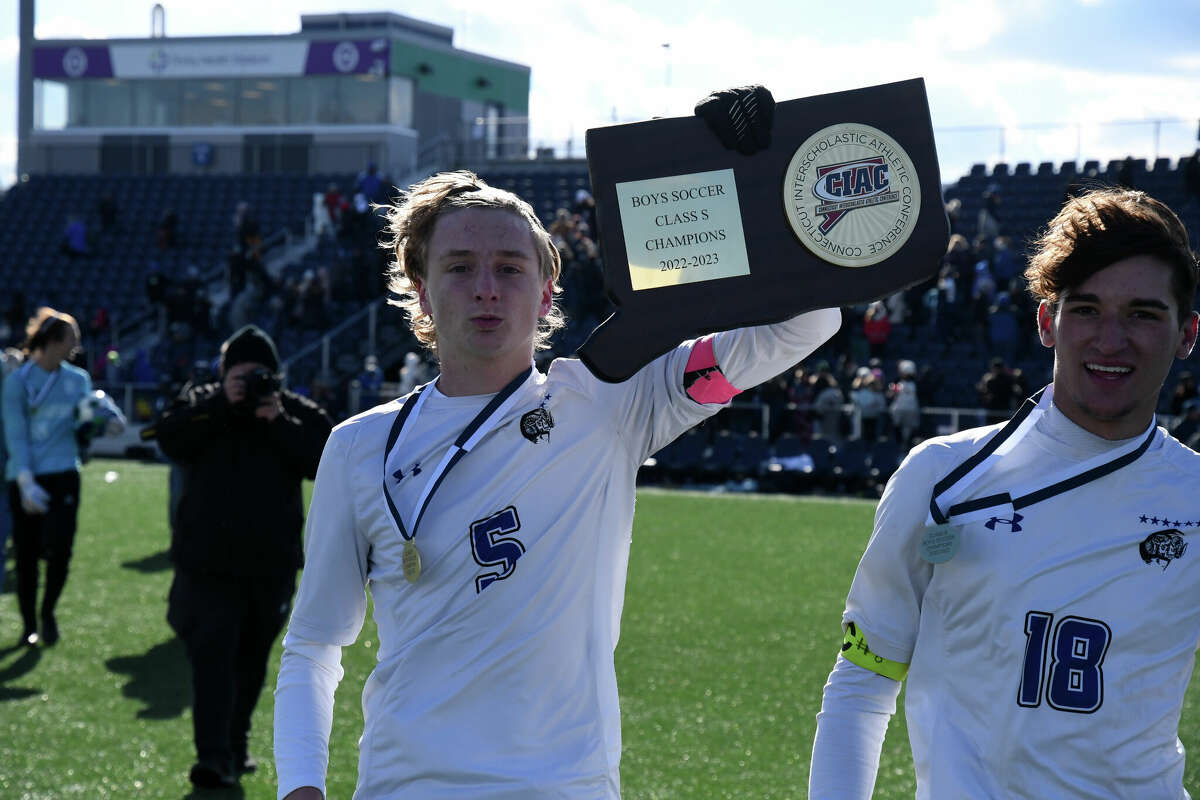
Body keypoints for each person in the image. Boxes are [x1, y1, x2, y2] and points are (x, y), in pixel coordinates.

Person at [273, 144, 840, 797]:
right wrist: (301, 787)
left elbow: (811, 322)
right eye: (460, 267)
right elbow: (314, 644)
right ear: (421, 294)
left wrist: (753, 173)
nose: (486, 287)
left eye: (510, 268)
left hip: (566, 785)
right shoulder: (359, 447)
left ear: (546, 294)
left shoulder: (612, 405)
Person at [809, 188, 1200, 799]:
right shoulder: (941, 477)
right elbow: (864, 676)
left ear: (1187, 334)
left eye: (1144, 314)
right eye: (1087, 309)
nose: (1111, 339)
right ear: (1047, 321)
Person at [154, 325, 333, 789]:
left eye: (260, 373)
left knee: (252, 662)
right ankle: (212, 756)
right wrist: (219, 404)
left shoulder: (289, 409)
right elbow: (168, 438)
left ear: (275, 375)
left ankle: (235, 743)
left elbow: (327, 461)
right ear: (225, 372)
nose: (251, 382)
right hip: (208, 565)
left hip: (268, 566)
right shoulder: (204, 402)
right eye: (241, 373)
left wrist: (278, 420)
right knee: (213, 660)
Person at [2, 309, 101, 646]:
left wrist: (101, 421)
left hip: (64, 473)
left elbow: (85, 423)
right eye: (72, 337)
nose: (77, 344)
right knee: (27, 554)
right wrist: (26, 480)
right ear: (55, 340)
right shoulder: (17, 382)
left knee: (61, 551)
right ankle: (29, 624)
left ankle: (48, 612)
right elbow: (15, 435)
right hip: (25, 476)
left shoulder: (78, 380)